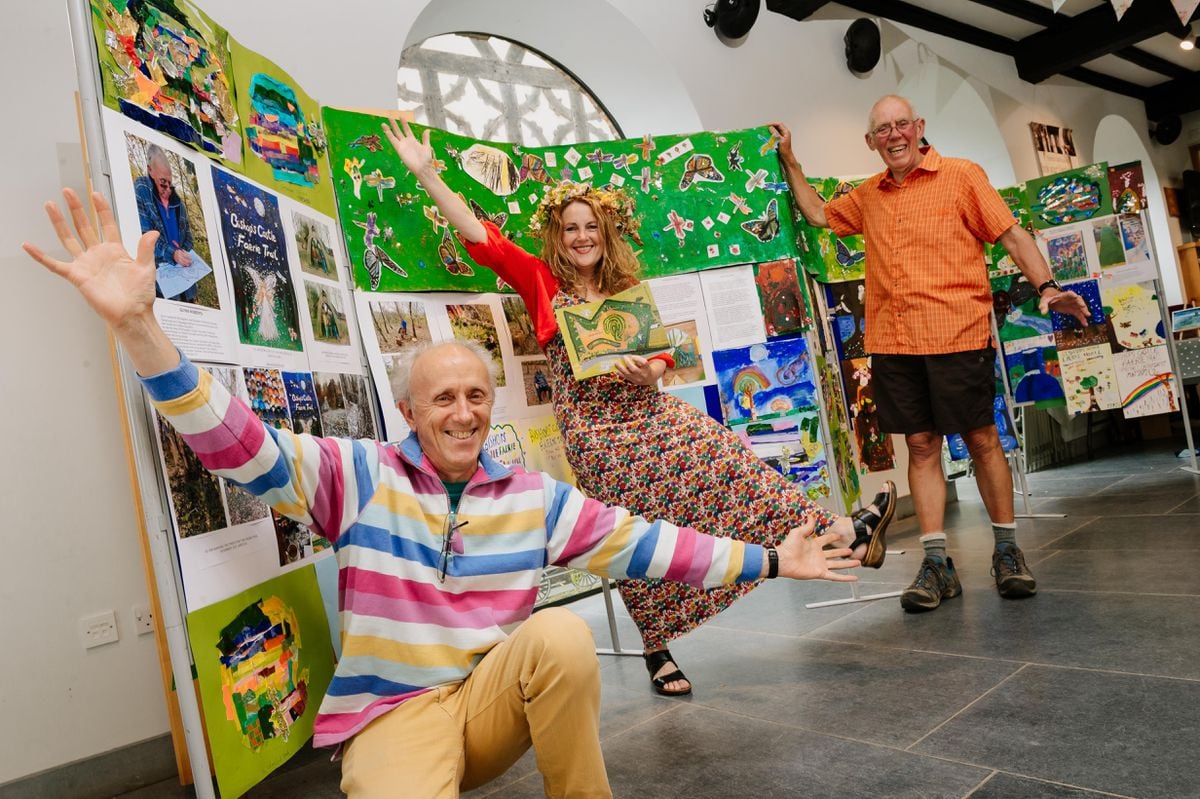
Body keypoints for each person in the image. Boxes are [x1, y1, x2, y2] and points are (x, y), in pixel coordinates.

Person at [24, 189, 868, 799]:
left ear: (491, 403)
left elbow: (650, 543)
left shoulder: (533, 496)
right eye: (442, 398)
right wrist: (140, 327)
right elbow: (238, 443)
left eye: (475, 395)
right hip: (392, 716)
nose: (462, 411)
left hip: (490, 705)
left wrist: (770, 556)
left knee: (563, 635)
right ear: (410, 410)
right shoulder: (358, 476)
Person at [383, 118, 896, 696]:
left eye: (591, 228)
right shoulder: (540, 282)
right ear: (558, 235)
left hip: (645, 412)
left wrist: (648, 369)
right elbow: (480, 236)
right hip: (596, 429)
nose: (582, 237)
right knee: (631, 527)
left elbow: (662, 361)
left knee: (727, 456)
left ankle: (838, 532)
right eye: (571, 228)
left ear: (606, 233)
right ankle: (657, 647)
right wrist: (426, 172)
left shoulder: (630, 287)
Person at [772, 95, 1091, 613]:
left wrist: (1048, 287)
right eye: (883, 129)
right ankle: (938, 563)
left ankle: (1007, 551)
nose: (895, 135)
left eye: (902, 124)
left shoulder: (963, 175)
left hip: (958, 335)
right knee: (921, 446)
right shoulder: (868, 195)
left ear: (919, 127)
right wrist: (790, 160)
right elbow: (817, 214)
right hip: (894, 343)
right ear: (871, 141)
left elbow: (1011, 235)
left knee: (982, 438)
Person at [133, 143, 197, 302]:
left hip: (185, 283)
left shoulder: (177, 201)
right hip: (159, 286)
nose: (167, 189)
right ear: (150, 171)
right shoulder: (141, 191)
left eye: (170, 182)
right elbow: (145, 238)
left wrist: (183, 252)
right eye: (163, 182)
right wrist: (172, 253)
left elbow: (188, 236)